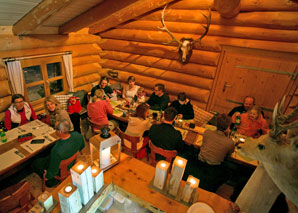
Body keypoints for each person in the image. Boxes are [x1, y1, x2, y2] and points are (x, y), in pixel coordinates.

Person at [32, 120, 85, 187]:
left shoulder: (56, 150)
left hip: (61, 171)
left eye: (55, 129)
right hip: (71, 163)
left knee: (35, 163)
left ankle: (53, 181)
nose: (55, 131)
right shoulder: (77, 135)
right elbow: (82, 147)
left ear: (60, 132)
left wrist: (47, 176)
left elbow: (53, 171)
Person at [195, 113, 235, 192]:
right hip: (214, 167)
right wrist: (227, 136)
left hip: (199, 162)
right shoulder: (230, 142)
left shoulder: (207, 132)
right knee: (229, 171)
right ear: (227, 128)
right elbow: (229, 153)